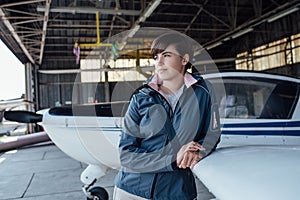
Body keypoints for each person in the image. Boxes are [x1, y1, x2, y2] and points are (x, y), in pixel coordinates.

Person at [114, 31, 220, 200]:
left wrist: (198, 152)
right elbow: (126, 155)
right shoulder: (141, 96)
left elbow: (211, 134)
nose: (159, 62)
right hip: (131, 191)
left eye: (166, 55)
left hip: (177, 192)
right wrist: (172, 159)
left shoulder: (204, 92)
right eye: (156, 57)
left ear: (184, 60)